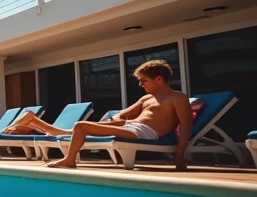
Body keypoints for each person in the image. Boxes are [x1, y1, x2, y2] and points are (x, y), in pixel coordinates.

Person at [44, 59, 193, 169]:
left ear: (159, 79)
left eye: (144, 81)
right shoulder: (146, 98)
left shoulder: (177, 98)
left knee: (81, 126)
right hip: (130, 126)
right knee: (82, 127)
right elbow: (121, 115)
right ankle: (62, 139)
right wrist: (118, 120)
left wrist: (179, 156)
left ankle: (69, 160)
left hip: (144, 132)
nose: (140, 85)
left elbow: (186, 126)